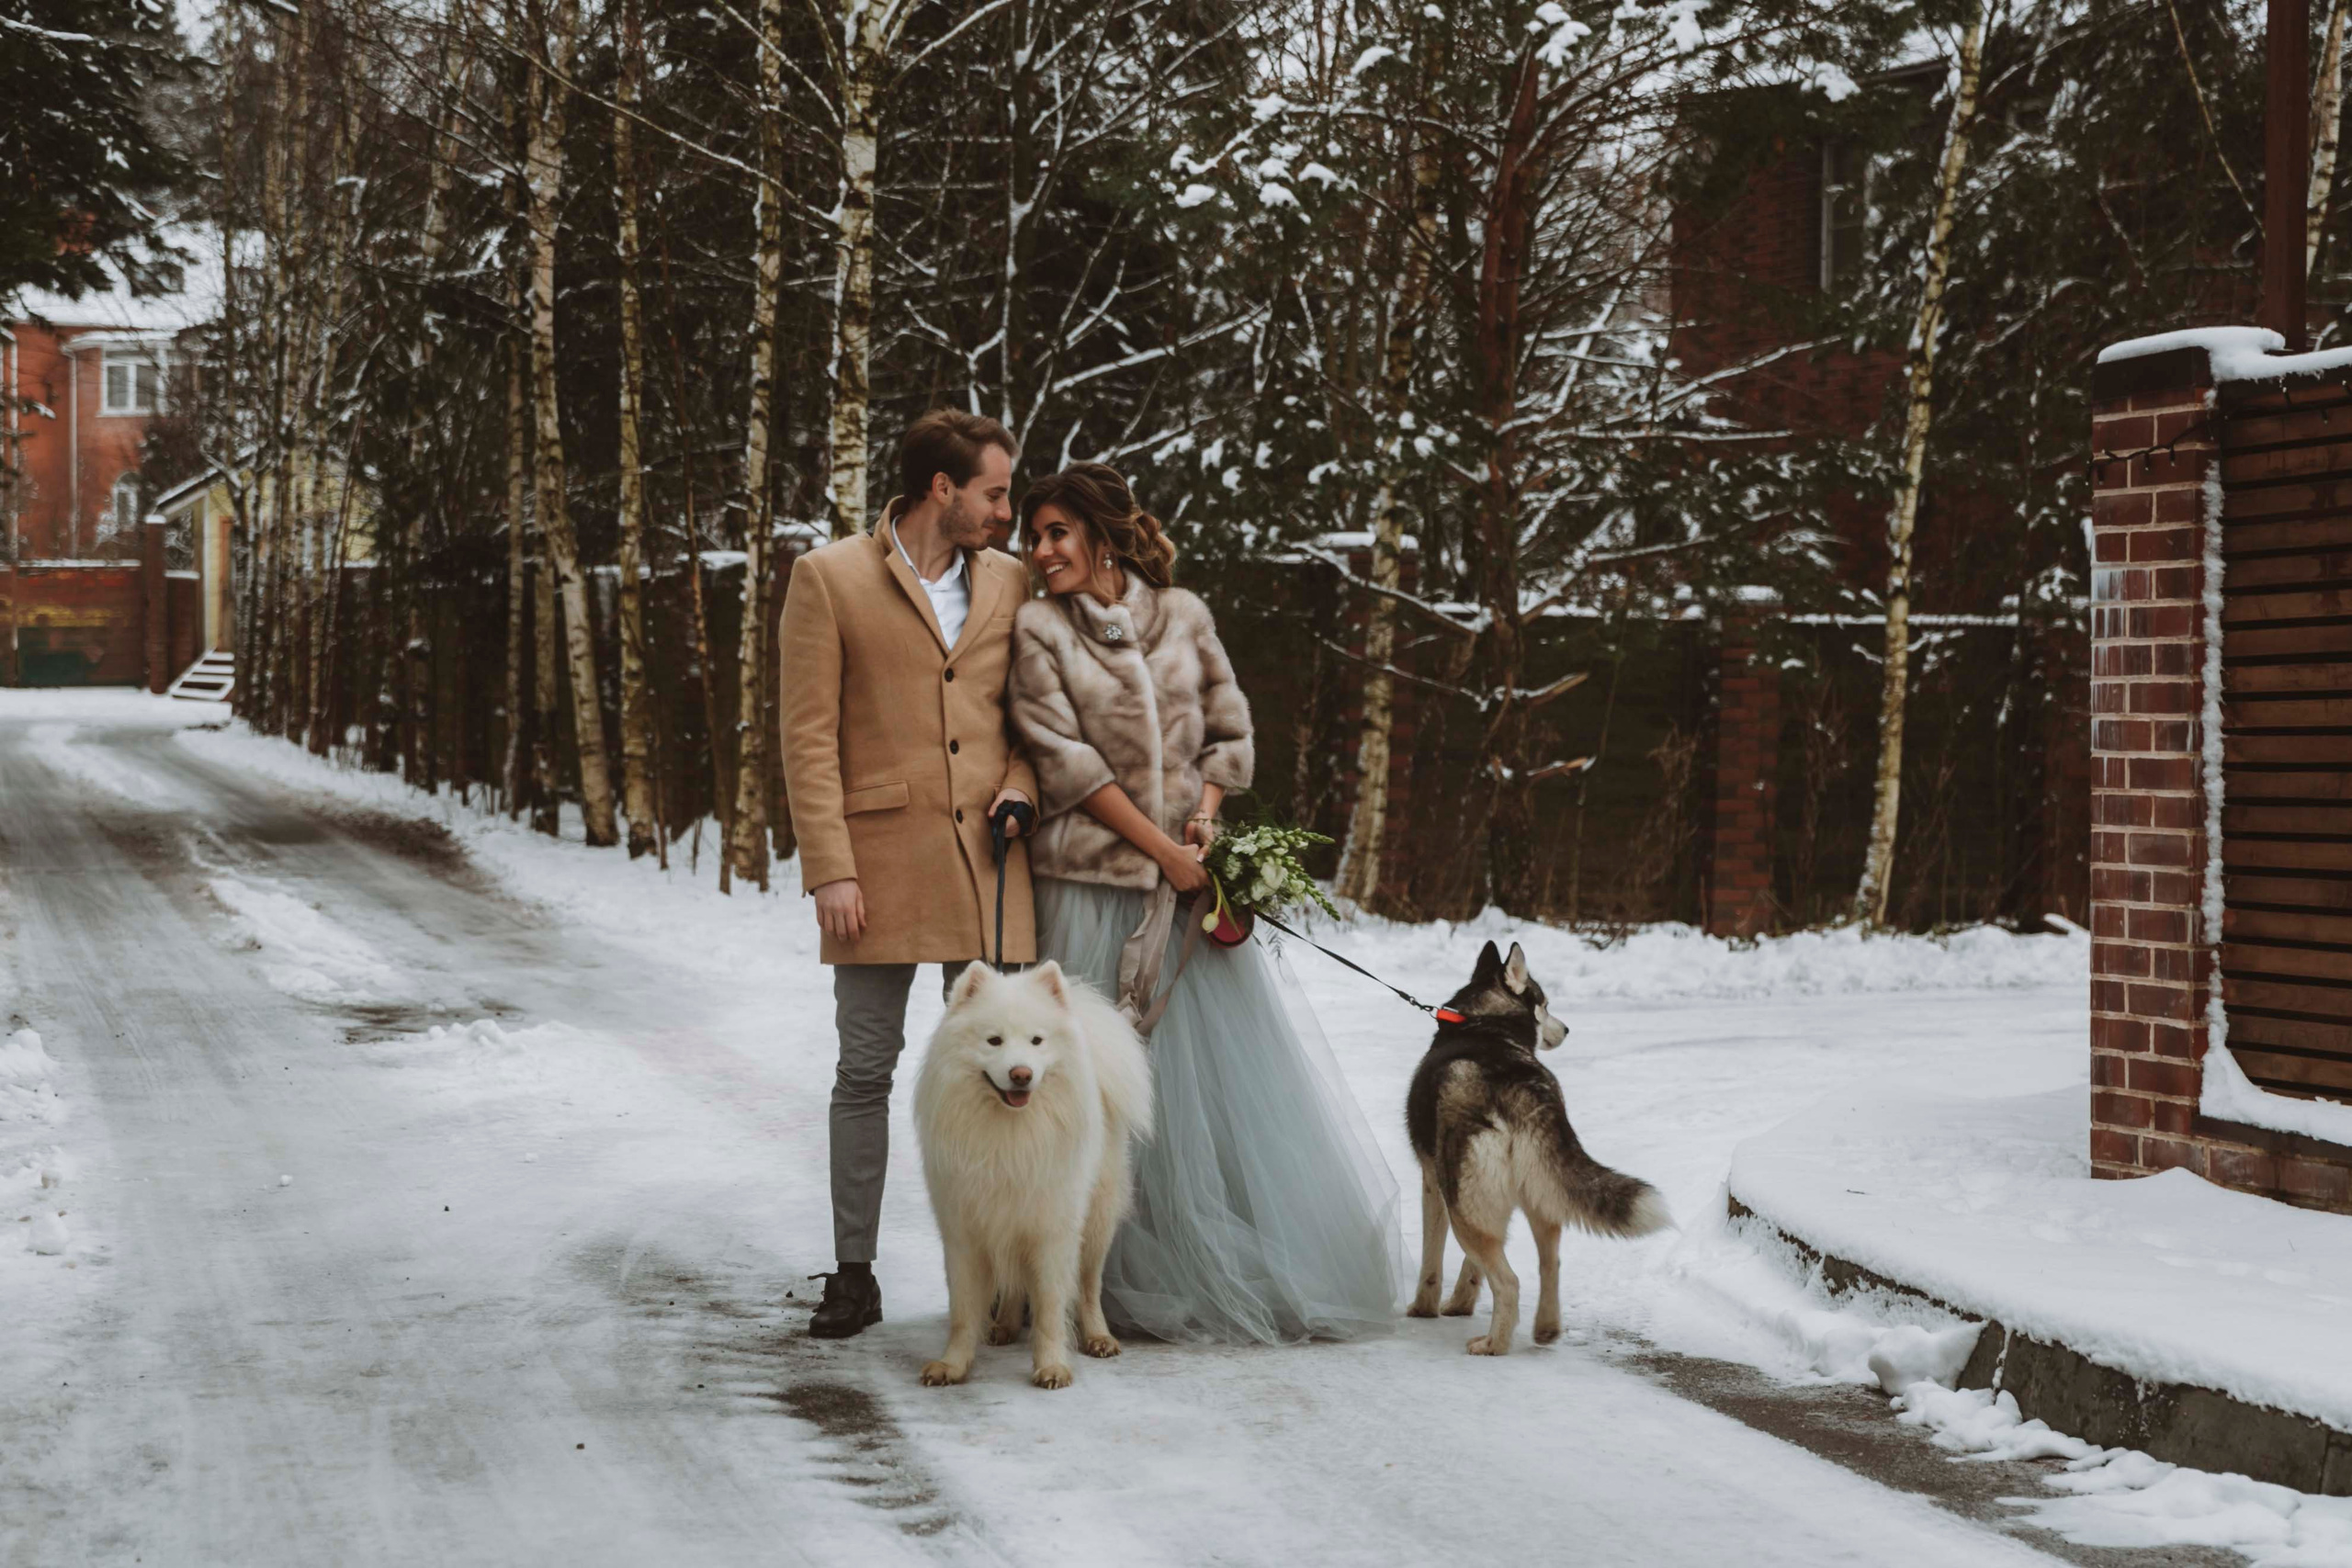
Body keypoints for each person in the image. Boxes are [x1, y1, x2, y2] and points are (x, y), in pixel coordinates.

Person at [1008, 462, 1401, 1344]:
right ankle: (1073, 1280)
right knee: (1096, 1091)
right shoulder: (1038, 630)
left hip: (1185, 889)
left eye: (1057, 533)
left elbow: (1230, 730)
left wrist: (1204, 825)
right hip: (1088, 888)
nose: (1040, 553)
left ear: (1103, 535)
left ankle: (1190, 1262)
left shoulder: (1184, 617)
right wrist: (1161, 854)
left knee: (1198, 1096)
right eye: (1033, 537)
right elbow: (1067, 765)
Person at [778, 408, 1036, 1339]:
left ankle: (1003, 1281)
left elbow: (1029, 719)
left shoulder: (1010, 582)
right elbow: (806, 738)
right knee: (865, 1070)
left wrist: (1018, 790)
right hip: (876, 870)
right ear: (943, 489)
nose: (1007, 511)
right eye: (995, 493)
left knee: (1003, 1077)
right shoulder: (829, 577)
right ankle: (854, 1273)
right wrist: (829, 870)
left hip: (992, 867)